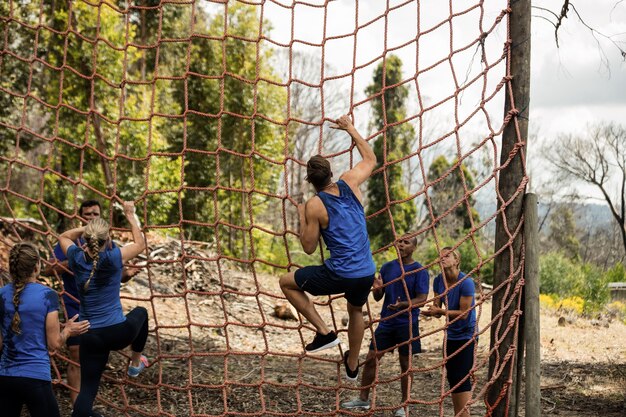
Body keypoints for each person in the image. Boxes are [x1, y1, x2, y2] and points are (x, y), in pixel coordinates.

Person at [279, 114, 377, 381]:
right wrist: (350, 129)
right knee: (355, 309)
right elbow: (370, 159)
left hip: (341, 273)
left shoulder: (315, 204)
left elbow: (309, 248)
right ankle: (353, 365)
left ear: (310, 181)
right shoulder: (350, 182)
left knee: (286, 282)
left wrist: (301, 214)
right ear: (331, 172)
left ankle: (324, 332)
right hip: (366, 271)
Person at [43, 199, 139, 405]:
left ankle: (85, 403)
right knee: (76, 354)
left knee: (94, 355)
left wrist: (128, 274)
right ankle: (77, 404)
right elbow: (48, 269)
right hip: (74, 306)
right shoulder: (73, 249)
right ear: (80, 217)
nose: (91, 218)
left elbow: (115, 276)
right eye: (87, 215)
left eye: (95, 214)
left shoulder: (109, 245)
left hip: (101, 313)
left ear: (101, 216)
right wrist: (72, 264)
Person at [341, 233, 429, 417]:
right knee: (372, 357)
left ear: (413, 248)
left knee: (406, 364)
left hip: (407, 324)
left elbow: (422, 299)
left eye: (406, 242)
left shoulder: (420, 271)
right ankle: (363, 399)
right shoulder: (388, 267)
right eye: (399, 242)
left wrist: (404, 304)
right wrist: (377, 288)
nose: (401, 245)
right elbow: (378, 296)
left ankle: (404, 405)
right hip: (387, 322)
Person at [0, 242, 90, 417]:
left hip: (5, 377)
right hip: (35, 377)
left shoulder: (1, 295)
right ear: (36, 267)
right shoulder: (47, 295)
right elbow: (54, 343)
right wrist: (69, 331)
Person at [422, 247, 476, 417]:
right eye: (440, 256)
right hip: (451, 334)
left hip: (468, 335)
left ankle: (463, 415)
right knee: (453, 378)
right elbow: (438, 307)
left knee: (461, 377)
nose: (442, 258)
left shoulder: (466, 281)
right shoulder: (439, 280)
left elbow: (464, 314)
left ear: (456, 260)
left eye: (446, 256)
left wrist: (442, 312)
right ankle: (459, 414)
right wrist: (431, 311)